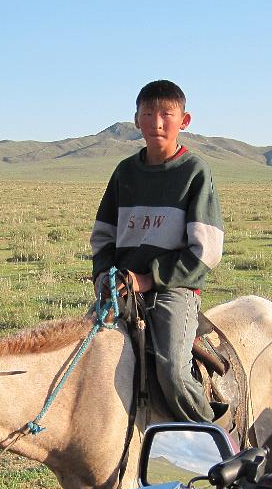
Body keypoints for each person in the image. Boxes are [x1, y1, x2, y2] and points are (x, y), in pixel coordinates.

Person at [90, 80, 224, 423]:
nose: (157, 123)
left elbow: (206, 250)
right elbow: (103, 236)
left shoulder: (194, 171)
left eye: (166, 114)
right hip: (122, 286)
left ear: (185, 120)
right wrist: (104, 275)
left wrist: (151, 278)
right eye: (148, 114)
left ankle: (217, 438)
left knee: (172, 371)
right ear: (136, 120)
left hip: (173, 290)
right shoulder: (124, 172)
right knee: (82, 354)